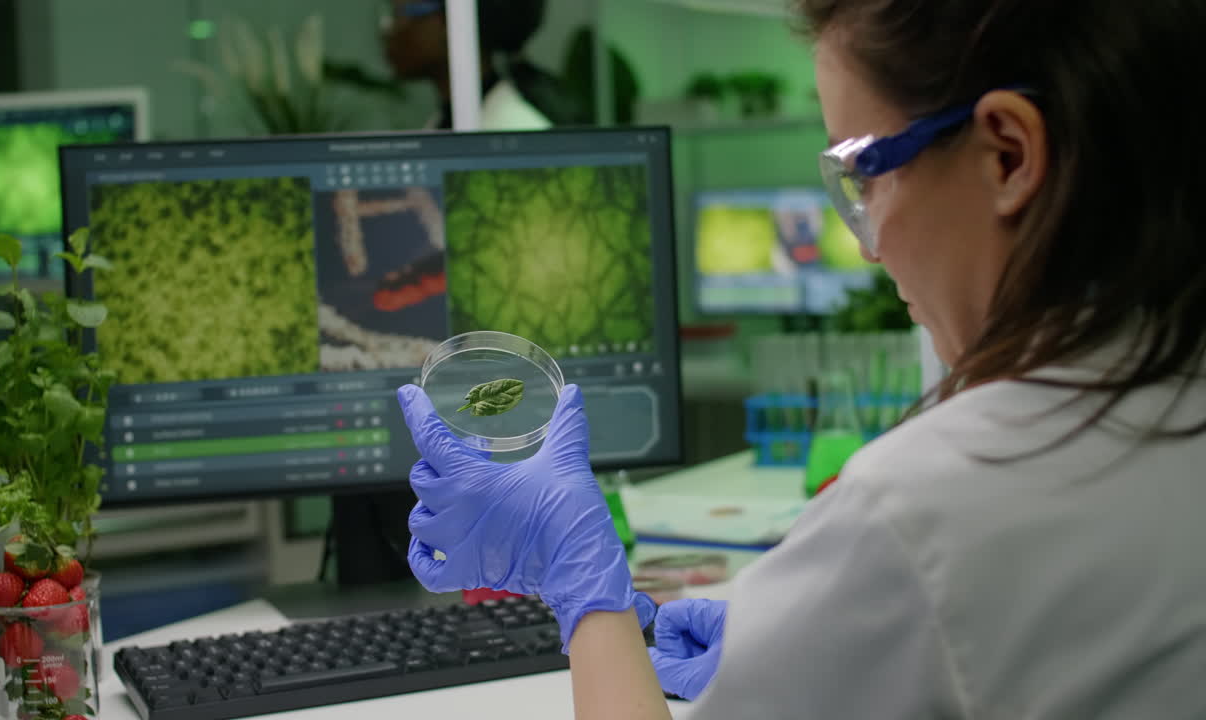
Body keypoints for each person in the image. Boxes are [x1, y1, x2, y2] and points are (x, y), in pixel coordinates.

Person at [396, 0, 1206, 717]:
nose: (869, 246)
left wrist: (585, 594)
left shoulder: (918, 512)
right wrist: (812, 647)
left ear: (1008, 155)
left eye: (864, 173)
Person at [380, 0, 584, 130]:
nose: (386, 29)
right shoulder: (449, 119)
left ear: (450, 23)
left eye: (398, 13)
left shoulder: (516, 128)